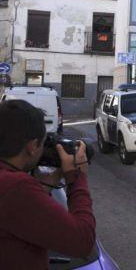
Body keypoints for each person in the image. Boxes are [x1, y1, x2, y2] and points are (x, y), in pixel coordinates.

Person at [0, 99, 95, 269]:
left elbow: (18, 213)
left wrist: (51, 179)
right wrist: (77, 177)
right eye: (43, 144)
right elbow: (82, 242)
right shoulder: (15, 187)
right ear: (31, 146)